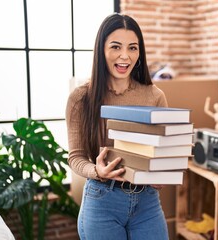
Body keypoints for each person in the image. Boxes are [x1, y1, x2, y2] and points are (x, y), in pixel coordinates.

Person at [65, 13, 169, 240]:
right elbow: (76, 157)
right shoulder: (81, 98)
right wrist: (96, 171)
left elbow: (161, 152)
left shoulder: (155, 96)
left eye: (133, 48)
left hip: (147, 202)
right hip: (102, 200)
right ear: (101, 50)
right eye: (116, 47)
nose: (125, 56)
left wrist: (163, 173)